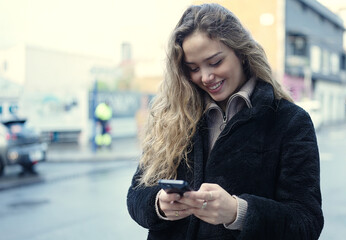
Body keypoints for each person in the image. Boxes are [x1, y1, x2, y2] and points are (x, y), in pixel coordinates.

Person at [127, 3, 323, 239]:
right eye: (193, 68)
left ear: (241, 53)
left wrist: (238, 212)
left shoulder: (290, 121)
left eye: (215, 62)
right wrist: (158, 204)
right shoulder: (172, 115)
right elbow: (136, 194)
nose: (206, 77)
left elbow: (306, 222)